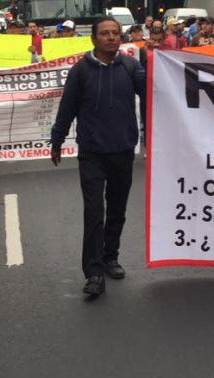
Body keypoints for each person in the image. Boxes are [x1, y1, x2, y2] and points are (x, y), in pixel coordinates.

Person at [50, 17, 146, 298]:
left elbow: (153, 88)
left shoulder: (131, 67)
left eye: (115, 33)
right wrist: (57, 140)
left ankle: (110, 257)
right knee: (94, 211)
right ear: (93, 39)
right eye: (104, 33)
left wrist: (152, 55)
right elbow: (67, 108)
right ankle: (93, 273)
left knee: (117, 208)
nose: (111, 38)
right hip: (91, 152)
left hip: (123, 150)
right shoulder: (81, 71)